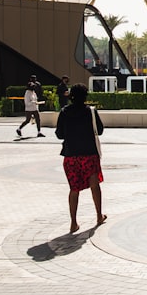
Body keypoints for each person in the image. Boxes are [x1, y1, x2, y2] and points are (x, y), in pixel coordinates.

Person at [55, 84, 106, 233]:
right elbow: (100, 131)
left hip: (71, 156)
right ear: (85, 96)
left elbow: (59, 134)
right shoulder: (90, 111)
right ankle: (98, 215)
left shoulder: (64, 112)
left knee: (74, 189)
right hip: (89, 154)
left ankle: (73, 222)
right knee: (94, 185)